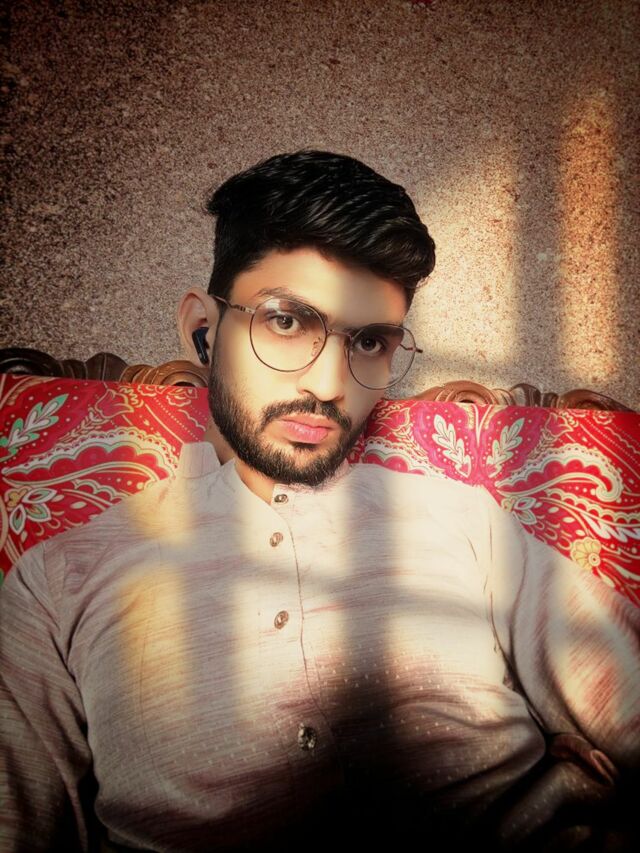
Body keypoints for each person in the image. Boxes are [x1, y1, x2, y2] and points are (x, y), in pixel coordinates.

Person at [1, 150, 638, 853]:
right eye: (286, 322)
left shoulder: (466, 522)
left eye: (369, 341)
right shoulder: (57, 580)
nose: (330, 384)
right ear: (203, 331)